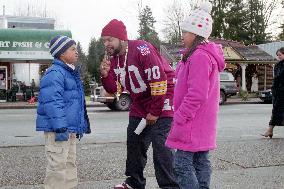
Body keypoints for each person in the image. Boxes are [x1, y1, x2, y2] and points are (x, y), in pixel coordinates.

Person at [100, 19, 179, 189]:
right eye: (104, 40)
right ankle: (134, 183)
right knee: (134, 140)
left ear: (121, 38)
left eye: (109, 39)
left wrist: (155, 111)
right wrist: (105, 75)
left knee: (160, 144)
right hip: (141, 101)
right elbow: (114, 89)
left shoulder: (142, 49)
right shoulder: (114, 59)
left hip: (163, 95)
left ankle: (170, 186)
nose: (106, 44)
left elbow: (159, 79)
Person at [165, 2, 225, 189]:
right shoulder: (199, 54)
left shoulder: (199, 56)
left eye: (185, 32)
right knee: (200, 161)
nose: (182, 36)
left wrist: (181, 115)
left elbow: (197, 93)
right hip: (201, 121)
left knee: (181, 164)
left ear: (197, 34)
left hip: (192, 121)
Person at [36, 35, 91, 189]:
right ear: (61, 53)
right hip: (58, 129)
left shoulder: (69, 73)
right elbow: (52, 102)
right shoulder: (55, 73)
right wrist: (61, 127)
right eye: (73, 49)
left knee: (69, 162)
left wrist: (77, 127)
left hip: (69, 129)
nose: (77, 52)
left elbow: (75, 103)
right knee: (57, 166)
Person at [262, 47, 284, 138]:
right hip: (278, 92)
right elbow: (276, 79)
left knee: (277, 111)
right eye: (278, 55)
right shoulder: (278, 65)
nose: (278, 57)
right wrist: (273, 89)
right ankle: (270, 130)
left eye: (280, 55)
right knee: (276, 111)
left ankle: (270, 130)